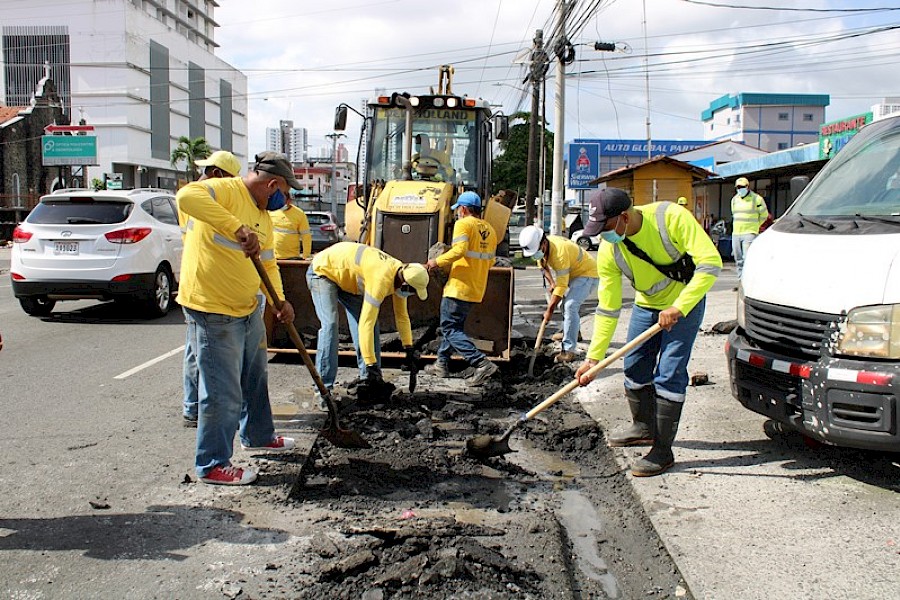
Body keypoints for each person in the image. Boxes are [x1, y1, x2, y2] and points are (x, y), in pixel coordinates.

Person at [575, 188, 721, 477]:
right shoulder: (610, 249)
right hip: (647, 306)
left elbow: (710, 263)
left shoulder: (671, 218)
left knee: (668, 373)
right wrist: (593, 359)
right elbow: (608, 307)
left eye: (605, 227)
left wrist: (679, 307)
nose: (602, 235)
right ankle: (642, 427)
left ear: (624, 218)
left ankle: (662, 451)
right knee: (634, 366)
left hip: (684, 305)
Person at [177, 151, 300, 486]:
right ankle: (213, 463)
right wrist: (236, 227)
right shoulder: (227, 189)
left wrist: (279, 300)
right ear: (272, 184)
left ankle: (258, 435)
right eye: (284, 193)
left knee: (255, 377)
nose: (284, 201)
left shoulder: (264, 216)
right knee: (222, 391)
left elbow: (270, 264)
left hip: (247, 307)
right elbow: (186, 196)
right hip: (213, 309)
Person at [306, 242, 430, 399]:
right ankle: (323, 391)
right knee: (330, 325)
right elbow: (366, 323)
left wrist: (409, 348)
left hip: (347, 279)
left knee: (370, 327)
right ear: (405, 284)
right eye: (412, 292)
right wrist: (371, 362)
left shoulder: (402, 274)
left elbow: (402, 316)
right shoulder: (381, 280)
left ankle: (370, 380)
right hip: (323, 272)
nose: (411, 295)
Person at [179, 150, 241, 428]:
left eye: (205, 171)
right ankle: (193, 408)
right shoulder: (203, 199)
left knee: (197, 350)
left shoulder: (214, 201)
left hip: (202, 284)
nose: (201, 177)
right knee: (199, 352)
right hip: (202, 288)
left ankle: (194, 406)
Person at [424, 191, 499, 385]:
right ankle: (441, 364)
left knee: (449, 328)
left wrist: (436, 262)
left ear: (463, 209)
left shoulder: (463, 224)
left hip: (458, 287)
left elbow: (459, 251)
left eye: (458, 209)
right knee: (454, 327)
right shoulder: (490, 230)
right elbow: (490, 261)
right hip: (476, 288)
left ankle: (481, 363)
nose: (457, 213)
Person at [518, 225, 598, 363]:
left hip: (588, 274)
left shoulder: (559, 252)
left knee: (570, 306)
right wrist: (551, 284)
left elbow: (562, 286)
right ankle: (574, 333)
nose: (535, 255)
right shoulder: (542, 247)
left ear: (543, 243)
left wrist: (549, 310)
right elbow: (543, 267)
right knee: (564, 305)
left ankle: (568, 350)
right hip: (575, 274)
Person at [730, 177, 768, 281]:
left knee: (747, 259)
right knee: (738, 259)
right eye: (738, 187)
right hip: (736, 233)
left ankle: (748, 281)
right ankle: (740, 281)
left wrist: (756, 226)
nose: (740, 189)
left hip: (750, 232)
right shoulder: (734, 200)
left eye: (742, 187)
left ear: (747, 187)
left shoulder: (757, 199)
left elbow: (764, 215)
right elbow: (734, 214)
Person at [270, 193, 312, 259]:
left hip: (292, 256)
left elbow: (306, 236)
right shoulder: (272, 211)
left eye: (284, 201)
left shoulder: (299, 214)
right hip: (273, 256)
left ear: (289, 200)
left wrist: (306, 255)